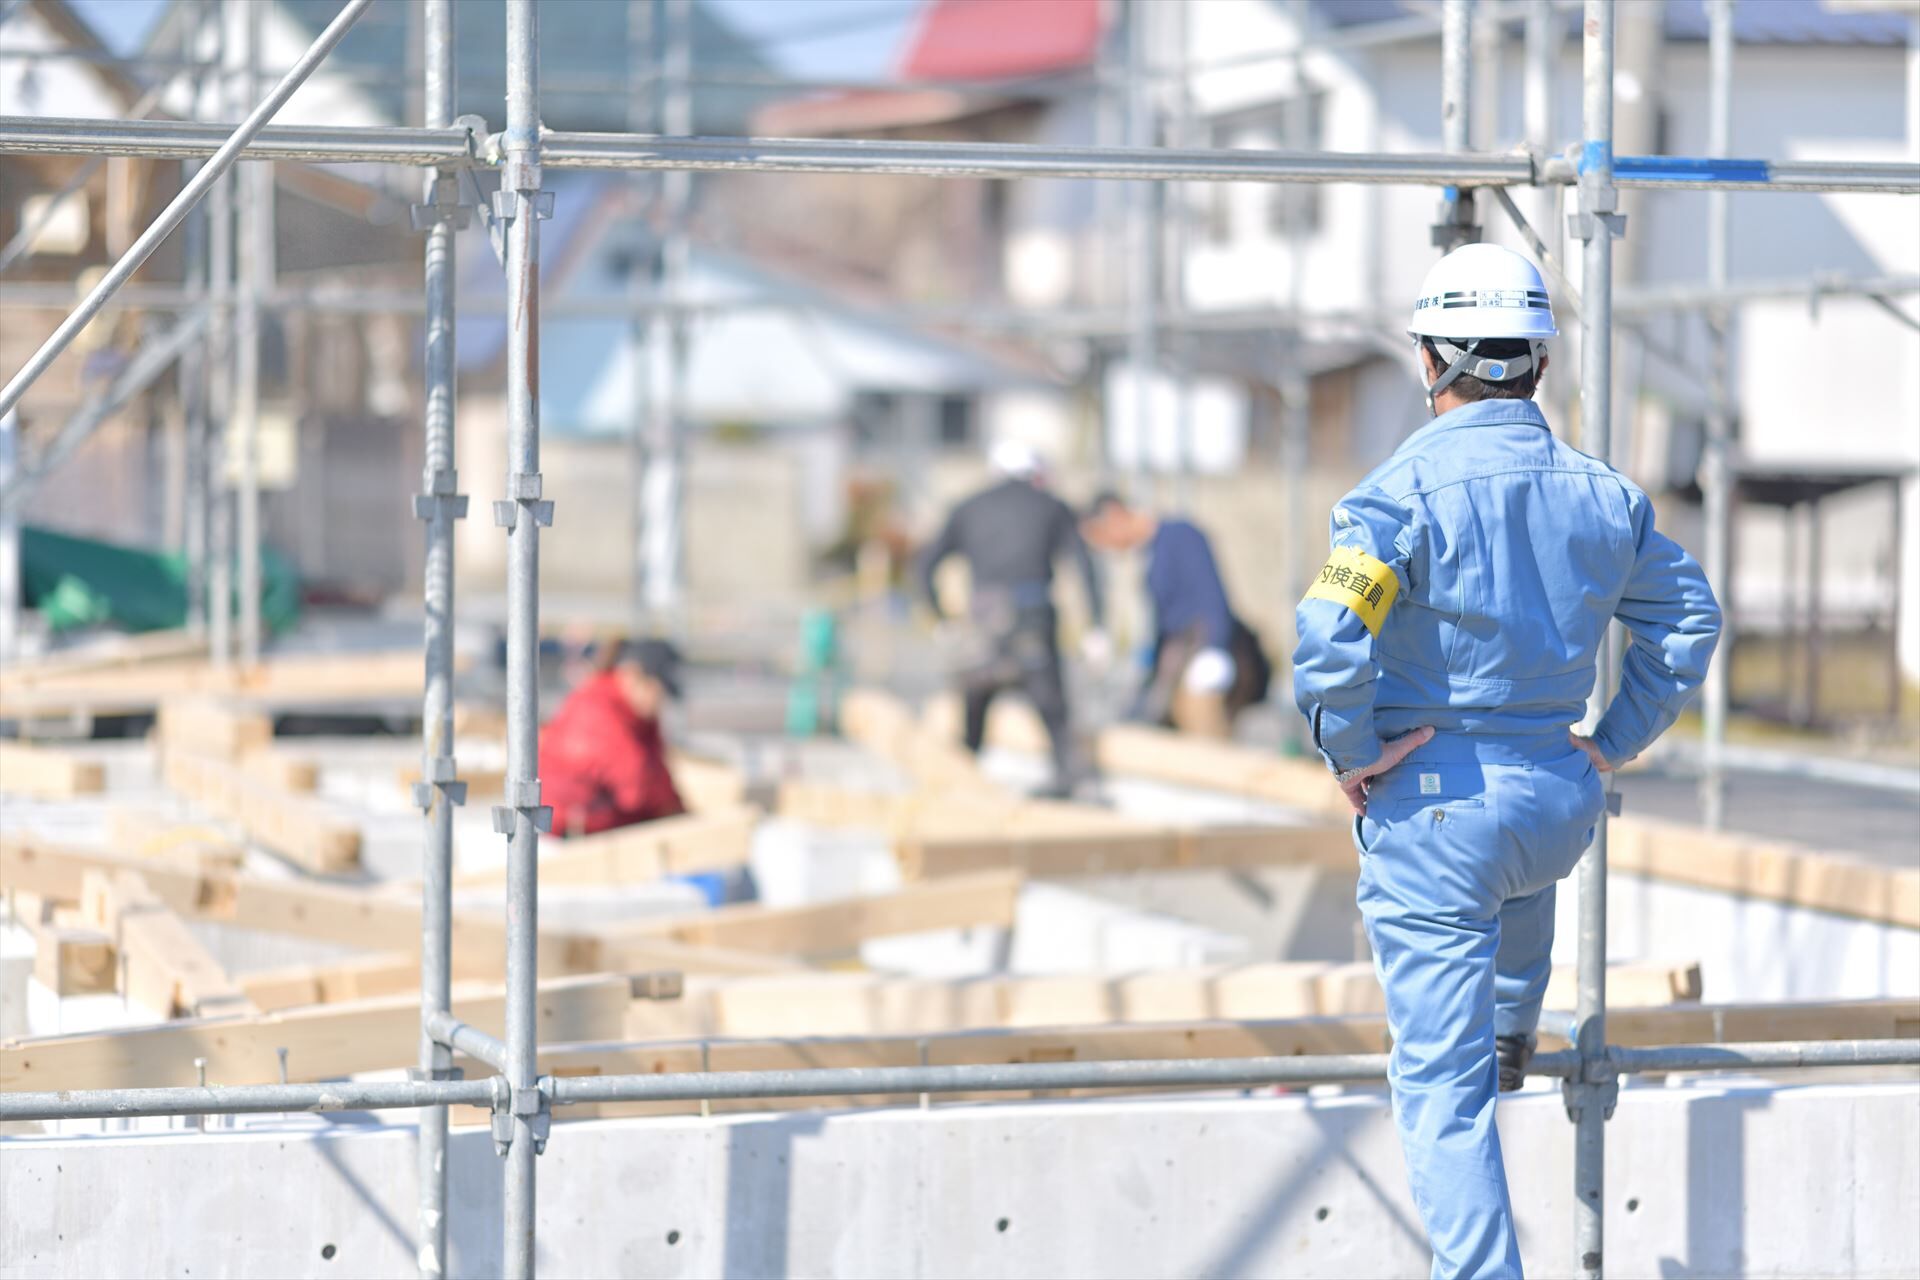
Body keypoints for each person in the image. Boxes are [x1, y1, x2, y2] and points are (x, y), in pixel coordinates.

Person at [1292, 242, 1720, 1279]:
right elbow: (1690, 619)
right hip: (1553, 799)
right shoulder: (1604, 495)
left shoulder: (1392, 497)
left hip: (1434, 804)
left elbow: (1326, 633)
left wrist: (1351, 751)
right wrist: (1613, 739)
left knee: (1439, 1093)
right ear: (1538, 357)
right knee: (1516, 899)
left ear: (1434, 355)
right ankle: (1511, 1029)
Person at [918, 441, 1106, 796]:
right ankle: (1070, 779)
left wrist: (940, 617)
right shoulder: (1051, 506)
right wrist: (1095, 627)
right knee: (1052, 708)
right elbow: (1085, 567)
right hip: (1031, 616)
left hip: (982, 619)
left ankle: (960, 782)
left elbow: (925, 565)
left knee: (974, 706)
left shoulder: (969, 508)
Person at [1080, 491, 1269, 737]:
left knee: (1202, 723)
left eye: (1102, 537)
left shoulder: (1180, 536)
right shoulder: (1148, 555)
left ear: (1115, 516)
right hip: (1180, 659)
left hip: (1205, 653)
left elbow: (1212, 594)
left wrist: (1215, 648)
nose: (1106, 547)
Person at [538, 635, 686, 836]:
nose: (658, 702)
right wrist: (678, 816)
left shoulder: (641, 716)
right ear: (633, 676)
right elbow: (635, 787)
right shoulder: (597, 706)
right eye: (656, 690)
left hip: (606, 828)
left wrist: (680, 813)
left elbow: (658, 773)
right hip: (567, 835)